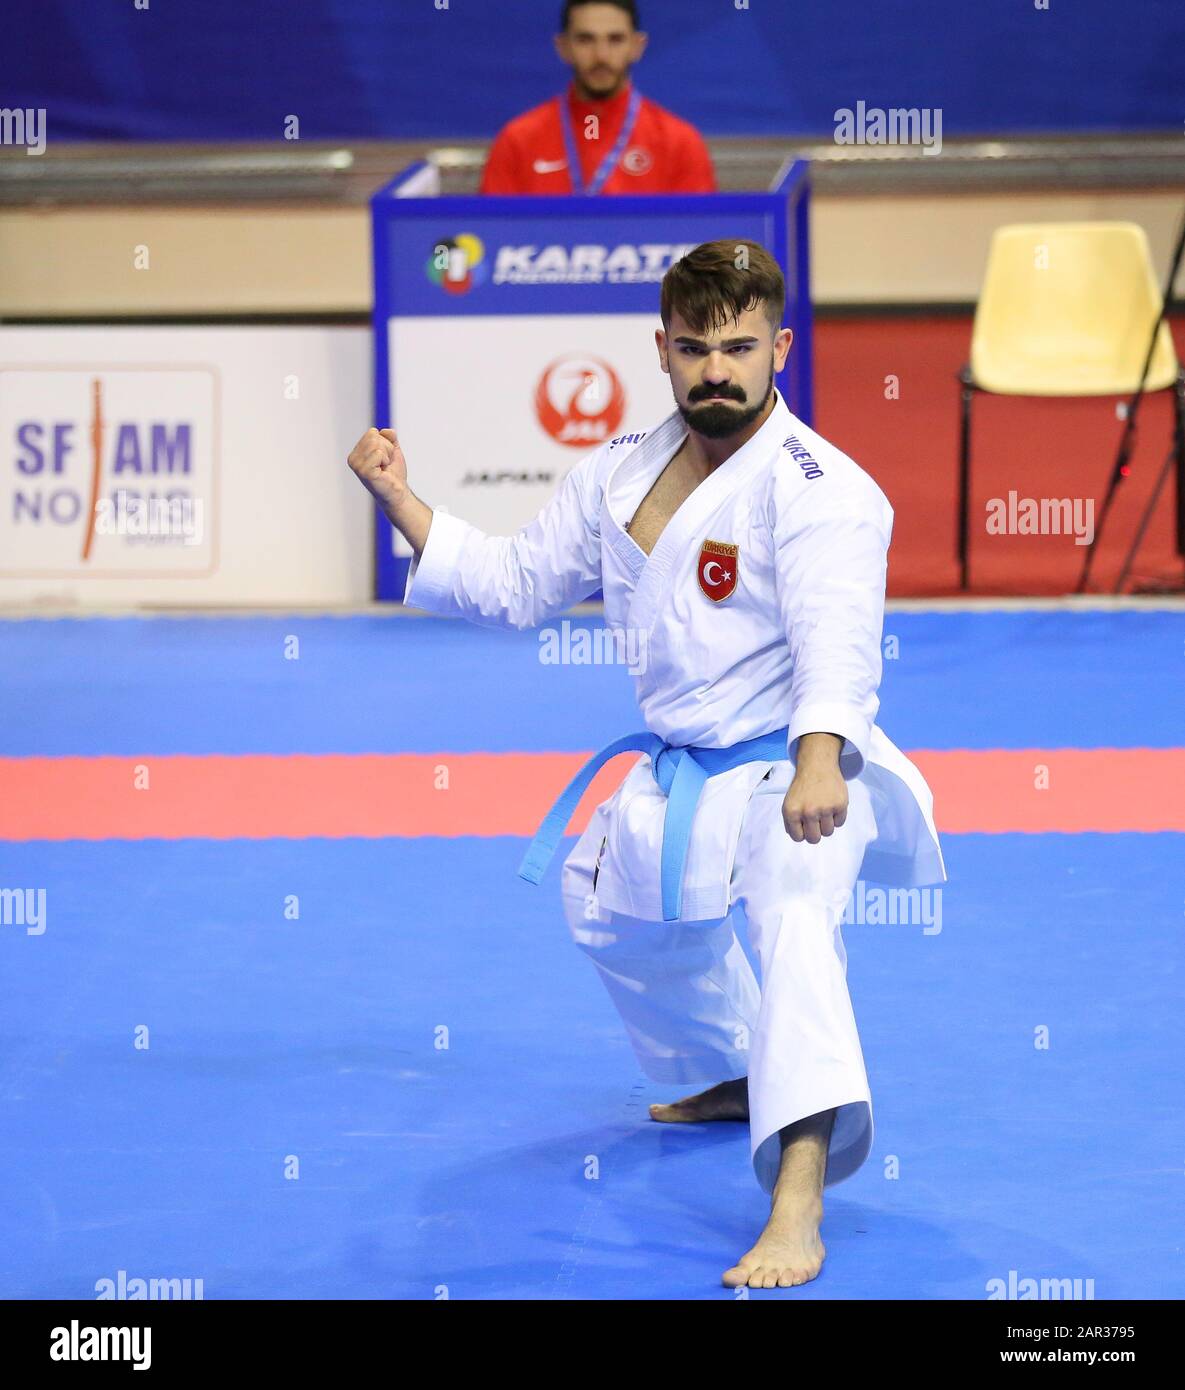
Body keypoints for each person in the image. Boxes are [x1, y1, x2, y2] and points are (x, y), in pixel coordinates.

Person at [346, 239, 946, 1290]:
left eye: (741, 347)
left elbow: (836, 644)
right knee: (601, 902)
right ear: (661, 350)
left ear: (780, 348)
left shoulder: (823, 490)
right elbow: (517, 584)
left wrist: (821, 762)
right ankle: (722, 1070)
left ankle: (798, 1198)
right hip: (687, 767)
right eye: (696, 347)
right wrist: (402, 499)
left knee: (796, 924)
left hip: (797, 766)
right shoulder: (620, 467)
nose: (718, 368)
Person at [480, 0, 716, 196]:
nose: (601, 55)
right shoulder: (517, 142)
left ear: (637, 46)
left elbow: (700, 242)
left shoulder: (680, 144)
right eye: (585, 40)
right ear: (563, 47)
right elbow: (490, 237)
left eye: (615, 39)